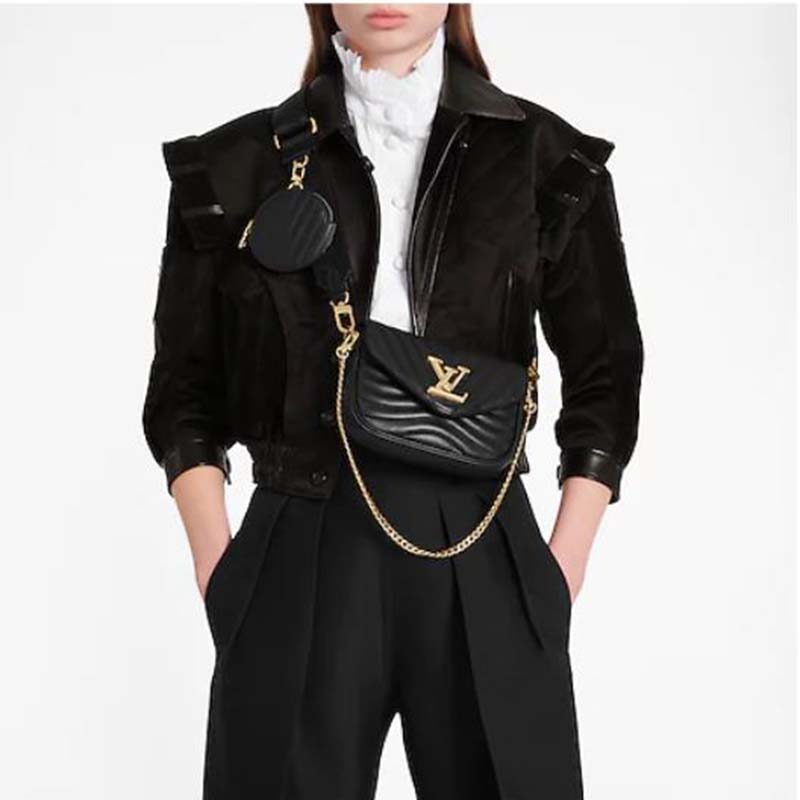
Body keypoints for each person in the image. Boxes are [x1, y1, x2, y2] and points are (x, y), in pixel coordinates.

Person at [141, 4, 644, 799]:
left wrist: (558, 573)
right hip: (301, 536)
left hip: (484, 538)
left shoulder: (548, 160)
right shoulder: (234, 166)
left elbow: (605, 376)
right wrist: (221, 569)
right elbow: (183, 388)